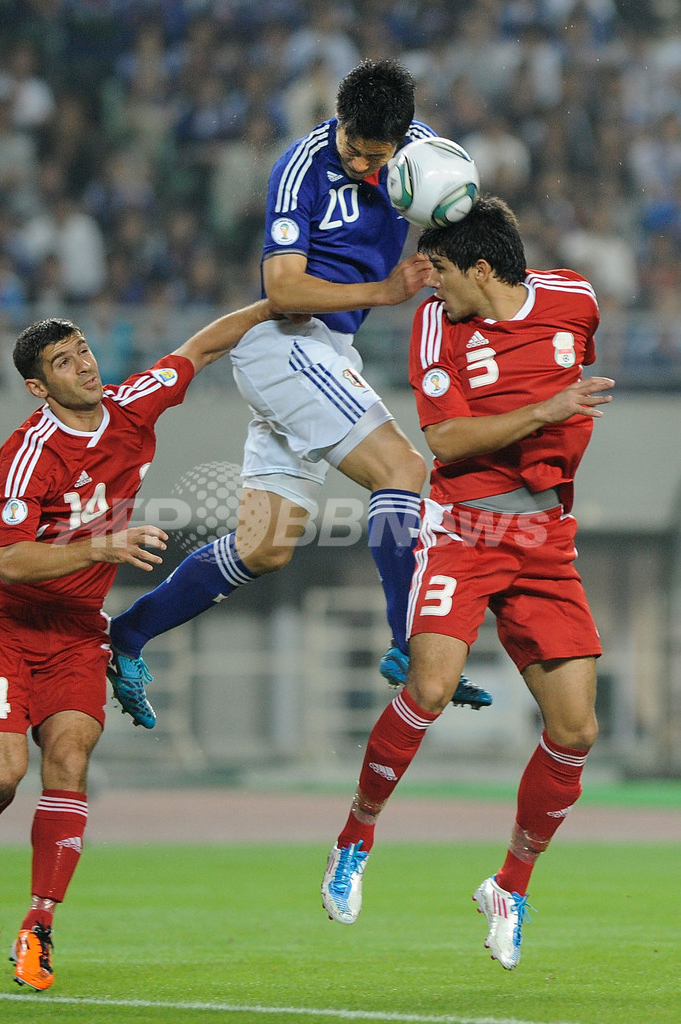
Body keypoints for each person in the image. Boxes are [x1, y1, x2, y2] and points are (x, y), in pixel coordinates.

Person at [106, 58, 492, 729]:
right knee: (402, 470)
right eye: (352, 147)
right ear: (337, 123)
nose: (362, 164)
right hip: (287, 339)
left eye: (376, 157)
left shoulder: (425, 155)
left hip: (324, 350)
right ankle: (409, 643)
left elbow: (458, 222)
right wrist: (384, 290)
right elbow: (281, 290)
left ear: (399, 140)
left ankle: (126, 634)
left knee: (265, 547)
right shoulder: (301, 165)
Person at [0, 297, 281, 991]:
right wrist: (102, 544)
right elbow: (8, 559)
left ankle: (38, 926)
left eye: (84, 351)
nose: (84, 365)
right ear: (39, 387)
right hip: (5, 626)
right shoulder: (28, 451)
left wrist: (280, 297)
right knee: (3, 776)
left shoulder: (132, 405)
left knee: (69, 759)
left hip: (75, 633)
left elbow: (201, 347)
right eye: (63, 363)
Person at [320, 195, 614, 970]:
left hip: (545, 536)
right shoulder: (432, 324)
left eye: (441, 270)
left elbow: (571, 340)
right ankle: (355, 835)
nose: (429, 282)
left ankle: (509, 886)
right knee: (429, 688)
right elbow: (444, 440)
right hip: (464, 529)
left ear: (484, 269)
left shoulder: (574, 297)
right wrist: (547, 408)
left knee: (576, 730)